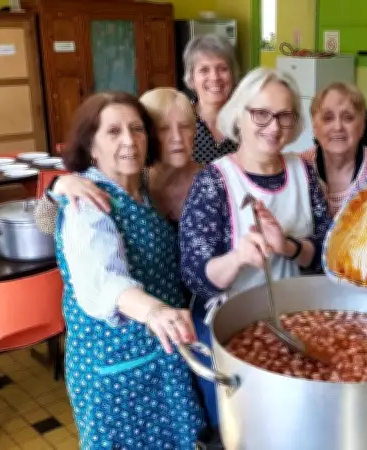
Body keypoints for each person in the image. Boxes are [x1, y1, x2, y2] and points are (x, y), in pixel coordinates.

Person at [179, 68, 333, 429]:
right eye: (261, 113)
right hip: (234, 329)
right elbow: (195, 276)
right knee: (246, 430)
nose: (273, 126)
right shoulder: (214, 181)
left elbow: (327, 253)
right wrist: (237, 258)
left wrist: (289, 247)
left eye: (283, 115)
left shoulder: (304, 171)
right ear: (240, 115)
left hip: (298, 322)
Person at [55, 92, 207, 448]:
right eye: (113, 131)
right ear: (91, 146)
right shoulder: (86, 203)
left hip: (161, 357)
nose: (129, 140)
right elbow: (104, 279)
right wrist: (154, 311)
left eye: (137, 129)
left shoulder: (142, 191)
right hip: (115, 369)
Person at [33, 88, 202, 231]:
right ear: (148, 135)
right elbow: (45, 224)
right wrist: (58, 185)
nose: (177, 138)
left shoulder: (210, 180)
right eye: (163, 129)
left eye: (185, 126)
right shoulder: (134, 178)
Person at [299, 81, 367, 216]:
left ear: (362, 126)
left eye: (348, 117)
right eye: (328, 118)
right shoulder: (298, 167)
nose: (338, 127)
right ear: (315, 128)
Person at [183, 34, 240, 164]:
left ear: (233, 74)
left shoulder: (246, 119)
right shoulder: (182, 121)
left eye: (222, 69)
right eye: (204, 70)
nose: (214, 77)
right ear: (192, 79)